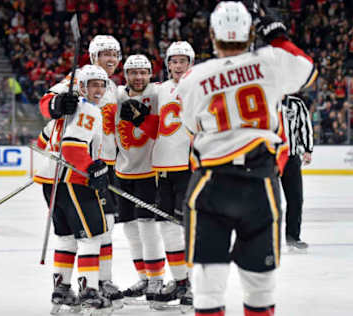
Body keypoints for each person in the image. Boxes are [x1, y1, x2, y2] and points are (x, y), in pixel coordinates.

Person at [177, 2, 317, 316]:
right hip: (259, 182)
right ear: (251, 32)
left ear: (212, 34)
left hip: (211, 182)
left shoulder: (194, 77)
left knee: (208, 284)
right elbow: (308, 68)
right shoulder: (271, 61)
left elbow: (191, 128)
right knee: (260, 285)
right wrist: (279, 37)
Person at [38, 35, 124, 308]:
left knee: (67, 235)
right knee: (94, 234)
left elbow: (44, 138)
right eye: (104, 53)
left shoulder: (111, 88)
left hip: (61, 176)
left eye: (114, 54)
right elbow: (50, 106)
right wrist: (91, 167)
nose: (99, 89)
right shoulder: (77, 90)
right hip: (78, 175)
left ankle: (62, 288)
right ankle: (90, 289)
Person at [120, 42, 195, 310]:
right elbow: (162, 128)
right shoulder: (163, 89)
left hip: (188, 167)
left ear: (191, 63)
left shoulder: (198, 86)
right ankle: (180, 282)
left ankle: (191, 286)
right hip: (164, 168)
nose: (177, 66)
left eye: (182, 61)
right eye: (173, 61)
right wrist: (140, 119)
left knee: (188, 229)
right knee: (168, 228)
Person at [105, 54, 165, 304]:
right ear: (125, 74)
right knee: (130, 229)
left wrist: (144, 118)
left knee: (148, 227)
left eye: (143, 72)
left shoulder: (159, 93)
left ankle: (156, 279)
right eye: (133, 72)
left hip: (150, 173)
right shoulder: (117, 94)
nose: (138, 77)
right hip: (123, 172)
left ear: (151, 74)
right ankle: (143, 276)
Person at [281, 95, 313, 250]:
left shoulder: (296, 104)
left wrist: (308, 149)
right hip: (268, 159)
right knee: (264, 201)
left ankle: (292, 237)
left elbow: (304, 126)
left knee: (296, 199)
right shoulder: (265, 101)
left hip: (291, 158)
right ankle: (259, 239)